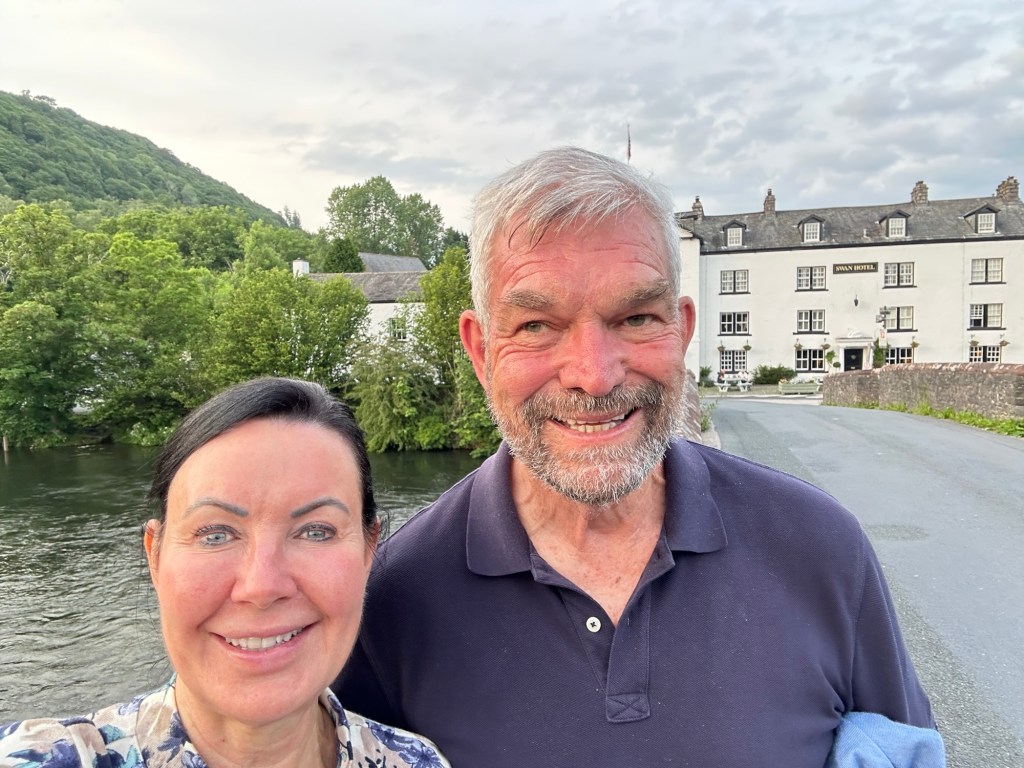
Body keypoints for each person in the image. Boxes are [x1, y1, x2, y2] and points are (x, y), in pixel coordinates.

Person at [334, 147, 939, 766]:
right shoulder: (391, 599)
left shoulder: (820, 548)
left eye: (636, 318)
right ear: (482, 351)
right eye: (537, 326)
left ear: (682, 330)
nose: (594, 375)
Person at [1, 378, 449, 768]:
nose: (262, 586)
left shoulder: (415, 761)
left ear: (369, 549)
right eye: (215, 534)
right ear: (155, 556)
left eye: (316, 531)